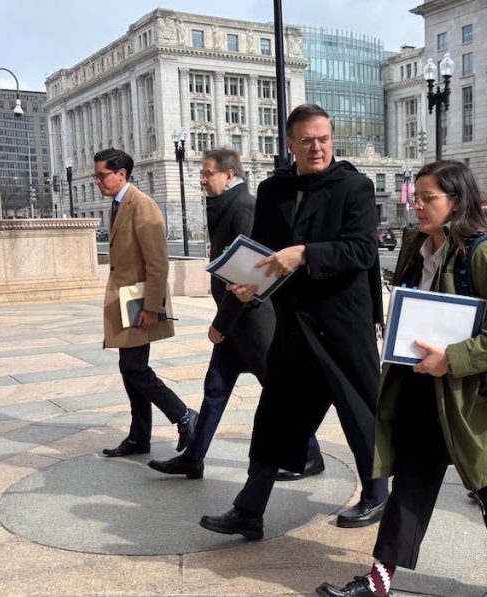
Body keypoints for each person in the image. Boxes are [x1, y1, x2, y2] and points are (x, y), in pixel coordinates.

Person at [316, 160, 487, 597]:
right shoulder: (415, 245)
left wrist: (453, 359)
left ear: (456, 201)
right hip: (420, 385)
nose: (417, 205)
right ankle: (381, 577)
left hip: (472, 397)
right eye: (416, 196)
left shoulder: (486, 252)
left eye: (427, 198)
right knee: (412, 481)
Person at [199, 104, 389, 540]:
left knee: (359, 411)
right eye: (307, 140)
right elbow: (261, 253)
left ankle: (377, 492)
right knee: (275, 418)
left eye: (323, 138)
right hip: (293, 326)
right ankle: (250, 509)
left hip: (344, 324)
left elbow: (361, 251)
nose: (317, 147)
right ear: (290, 144)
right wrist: (249, 288)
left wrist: (304, 253)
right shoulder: (273, 191)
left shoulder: (354, 186)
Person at [147, 148, 323, 479]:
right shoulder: (227, 205)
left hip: (252, 322)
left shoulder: (244, 207)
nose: (201, 179)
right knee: (215, 389)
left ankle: (311, 454)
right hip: (236, 323)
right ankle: (193, 458)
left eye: (207, 173)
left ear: (229, 175)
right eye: (201, 172)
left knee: (278, 392)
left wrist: (221, 323)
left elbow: (248, 274)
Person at [96, 148, 197, 458]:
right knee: (131, 369)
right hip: (126, 301)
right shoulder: (118, 205)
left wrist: (153, 307)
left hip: (140, 303)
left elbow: (158, 262)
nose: (98, 181)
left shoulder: (142, 205)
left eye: (102, 175)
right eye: (96, 176)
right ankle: (140, 437)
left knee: (134, 368)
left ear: (121, 174)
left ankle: (184, 415)